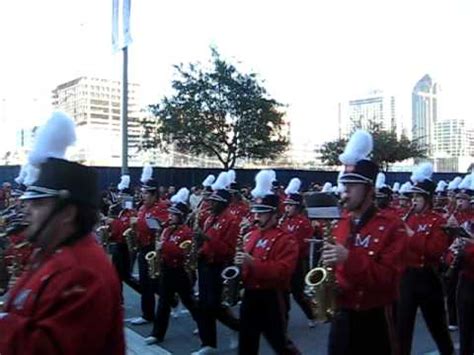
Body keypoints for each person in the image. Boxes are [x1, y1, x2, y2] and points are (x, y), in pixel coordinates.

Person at [0, 112, 124, 354]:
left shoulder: (81, 272)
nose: (28, 212)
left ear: (67, 213)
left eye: (38, 205)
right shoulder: (53, 253)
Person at [321, 130, 407, 355]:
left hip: (375, 318)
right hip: (342, 316)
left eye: (351, 186)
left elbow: (388, 278)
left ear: (369, 189)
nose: (344, 192)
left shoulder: (392, 225)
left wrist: (348, 259)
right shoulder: (340, 223)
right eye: (343, 185)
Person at [236, 170, 301, 355]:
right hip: (250, 294)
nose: (257, 217)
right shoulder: (252, 235)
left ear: (274, 214)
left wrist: (252, 263)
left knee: (280, 342)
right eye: (256, 212)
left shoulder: (286, 239)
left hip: (273, 296)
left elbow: (283, 271)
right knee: (247, 340)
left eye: (262, 214)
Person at [397, 162, 454, 355]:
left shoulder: (438, 221)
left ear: (427, 198)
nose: (413, 201)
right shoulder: (409, 219)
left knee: (438, 328)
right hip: (407, 278)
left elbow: (435, 251)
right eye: (413, 197)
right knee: (402, 329)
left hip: (428, 278)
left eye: (418, 197)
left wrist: (412, 236)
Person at [192, 172, 240, 355]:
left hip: (219, 266)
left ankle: (236, 326)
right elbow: (206, 243)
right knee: (203, 304)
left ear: (223, 203)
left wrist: (206, 238)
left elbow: (228, 250)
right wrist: (198, 249)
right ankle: (208, 344)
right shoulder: (211, 218)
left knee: (213, 304)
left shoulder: (231, 221)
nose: (210, 204)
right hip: (205, 263)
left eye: (214, 201)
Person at [145, 188, 199, 345]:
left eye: (174, 214)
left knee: (189, 300)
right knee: (163, 303)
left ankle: (203, 324)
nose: (170, 216)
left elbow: (184, 252)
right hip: (167, 269)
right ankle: (157, 334)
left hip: (180, 270)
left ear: (181, 216)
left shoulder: (186, 232)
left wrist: (164, 247)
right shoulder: (167, 230)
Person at [128, 165, 169, 326]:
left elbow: (160, 226)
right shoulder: (143, 207)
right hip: (143, 246)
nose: (142, 196)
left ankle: (168, 303)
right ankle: (147, 314)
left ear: (153, 194)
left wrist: (138, 222)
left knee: (155, 281)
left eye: (145, 193)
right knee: (146, 282)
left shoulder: (162, 207)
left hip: (155, 248)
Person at [280, 177, 316, 327]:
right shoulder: (284, 221)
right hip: (284, 261)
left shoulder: (303, 222)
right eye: (286, 205)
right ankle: (283, 320)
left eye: (290, 206)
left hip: (297, 262)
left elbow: (300, 244)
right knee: (282, 293)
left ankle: (311, 314)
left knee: (298, 293)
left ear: (297, 207)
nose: (286, 208)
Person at [446, 172, 474, 355]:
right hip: (466, 281)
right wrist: (454, 252)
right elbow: (450, 253)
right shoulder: (468, 224)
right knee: (466, 331)